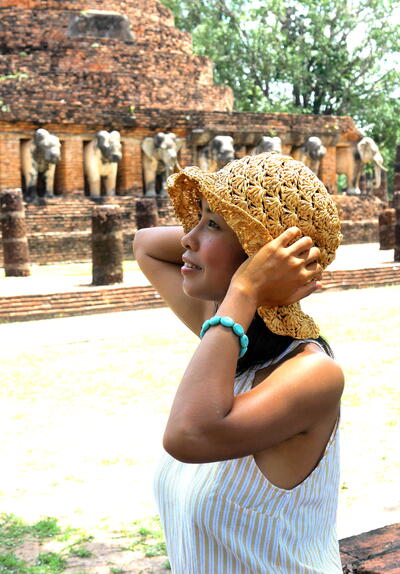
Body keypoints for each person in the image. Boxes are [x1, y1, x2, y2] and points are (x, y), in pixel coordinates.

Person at [133, 152, 344, 573]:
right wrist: (236, 265)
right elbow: (145, 245)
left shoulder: (314, 374)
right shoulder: (231, 344)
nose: (187, 239)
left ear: (259, 253)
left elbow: (188, 435)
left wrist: (247, 288)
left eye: (212, 225)